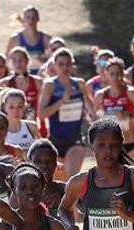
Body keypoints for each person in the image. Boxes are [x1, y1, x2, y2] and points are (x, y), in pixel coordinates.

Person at [37, 49, 96, 178]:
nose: (65, 67)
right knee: (59, 183)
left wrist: (97, 123)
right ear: (54, 66)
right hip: (55, 141)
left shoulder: (79, 84)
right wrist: (62, 101)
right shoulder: (50, 85)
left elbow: (91, 108)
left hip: (75, 140)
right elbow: (41, 114)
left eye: (68, 64)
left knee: (71, 177)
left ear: (72, 65)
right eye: (61, 64)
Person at [95, 58, 134, 154]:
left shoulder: (130, 93)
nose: (115, 77)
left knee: (131, 169)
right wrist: (103, 118)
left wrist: (128, 116)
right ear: (106, 74)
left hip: (130, 142)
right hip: (110, 144)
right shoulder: (101, 95)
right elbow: (94, 116)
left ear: (123, 74)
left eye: (118, 73)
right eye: (112, 74)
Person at [6, 6, 51, 75]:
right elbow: (8, 61)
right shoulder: (15, 39)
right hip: (21, 77)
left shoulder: (46, 39)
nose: (31, 20)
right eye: (28, 17)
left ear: (38, 19)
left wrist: (44, 61)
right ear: (23, 19)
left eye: (34, 17)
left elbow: (53, 60)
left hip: (41, 76)